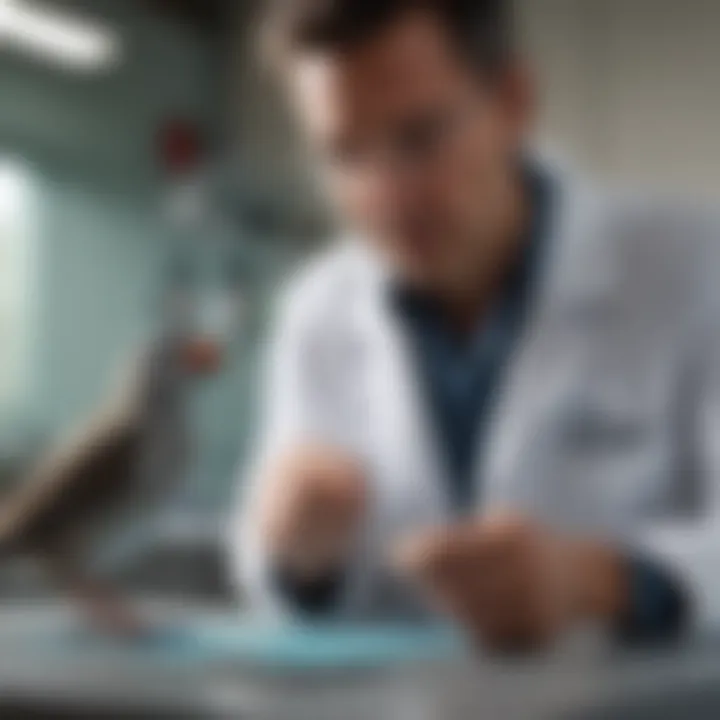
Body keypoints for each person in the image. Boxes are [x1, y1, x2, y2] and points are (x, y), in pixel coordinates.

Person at [231, 0, 720, 652]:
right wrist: (301, 558)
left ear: (514, 102)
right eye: (345, 155)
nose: (388, 194)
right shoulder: (317, 312)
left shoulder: (692, 268)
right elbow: (276, 582)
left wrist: (602, 582)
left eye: (420, 138)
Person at [0, 332, 222, 634]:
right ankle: (109, 616)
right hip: (46, 535)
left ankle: (107, 614)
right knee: (73, 563)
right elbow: (48, 524)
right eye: (177, 362)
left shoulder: (151, 432)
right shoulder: (128, 435)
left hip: (54, 541)